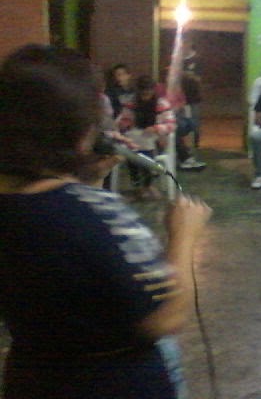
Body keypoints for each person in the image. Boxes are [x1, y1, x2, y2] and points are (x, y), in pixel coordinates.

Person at [0, 44, 211, 399]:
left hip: (33, 377)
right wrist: (184, 236)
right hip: (114, 381)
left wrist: (89, 180)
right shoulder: (98, 213)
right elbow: (166, 317)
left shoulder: (18, 205)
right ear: (81, 126)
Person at [116, 75, 176, 200]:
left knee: (142, 153)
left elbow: (171, 124)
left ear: (153, 91)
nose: (145, 97)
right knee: (131, 151)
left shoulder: (161, 104)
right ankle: (140, 186)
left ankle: (146, 185)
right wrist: (127, 125)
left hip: (155, 141)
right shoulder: (131, 103)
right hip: (136, 138)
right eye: (143, 94)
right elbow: (124, 121)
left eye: (148, 93)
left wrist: (156, 128)